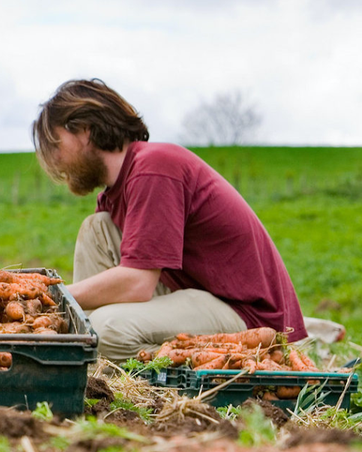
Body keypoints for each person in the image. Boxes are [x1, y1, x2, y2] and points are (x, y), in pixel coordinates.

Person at [32, 79, 307, 360]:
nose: (54, 158)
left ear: (84, 131)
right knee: (96, 229)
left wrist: (53, 294)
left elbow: (138, 283)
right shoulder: (114, 194)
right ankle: (92, 358)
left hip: (246, 315)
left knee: (106, 329)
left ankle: (233, 362)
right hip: (195, 296)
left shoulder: (154, 168)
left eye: (56, 144)